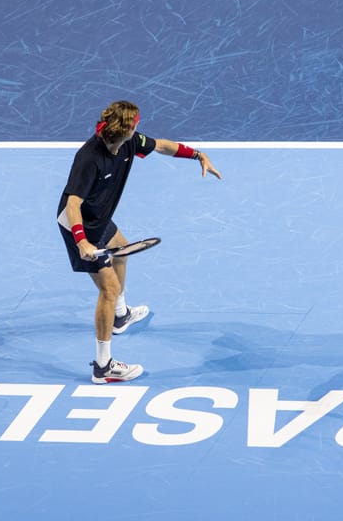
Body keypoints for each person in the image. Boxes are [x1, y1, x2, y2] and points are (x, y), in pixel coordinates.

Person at [57, 100, 222, 384]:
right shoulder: (89, 158)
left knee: (122, 250)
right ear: (128, 128)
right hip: (79, 227)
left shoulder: (130, 142)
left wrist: (198, 155)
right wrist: (82, 241)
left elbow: (162, 146)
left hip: (99, 218)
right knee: (108, 289)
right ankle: (103, 366)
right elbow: (72, 204)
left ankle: (120, 316)